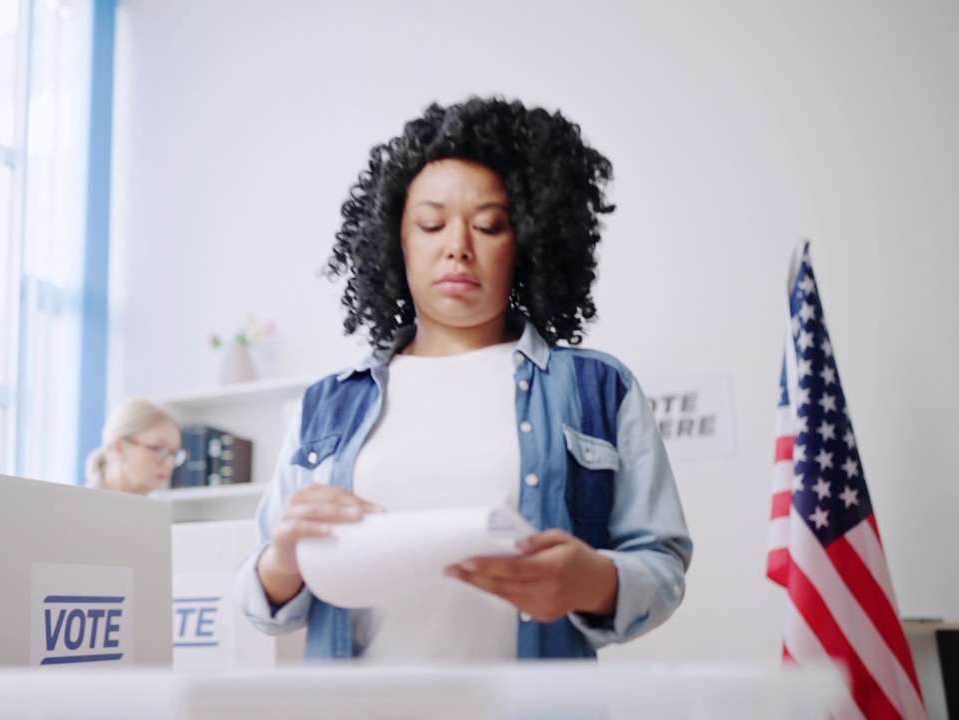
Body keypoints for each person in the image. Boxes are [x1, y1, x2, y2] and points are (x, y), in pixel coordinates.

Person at [234, 97, 692, 662]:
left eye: (489, 225)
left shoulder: (598, 389)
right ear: (397, 240)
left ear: (524, 243)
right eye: (430, 224)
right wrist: (283, 559)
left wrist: (594, 581)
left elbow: (661, 562)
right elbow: (261, 606)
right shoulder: (327, 405)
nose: (458, 246)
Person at [84, 397, 186, 495]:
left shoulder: (155, 510)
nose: (169, 464)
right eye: (157, 449)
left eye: (173, 453)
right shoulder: (76, 507)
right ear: (120, 447)